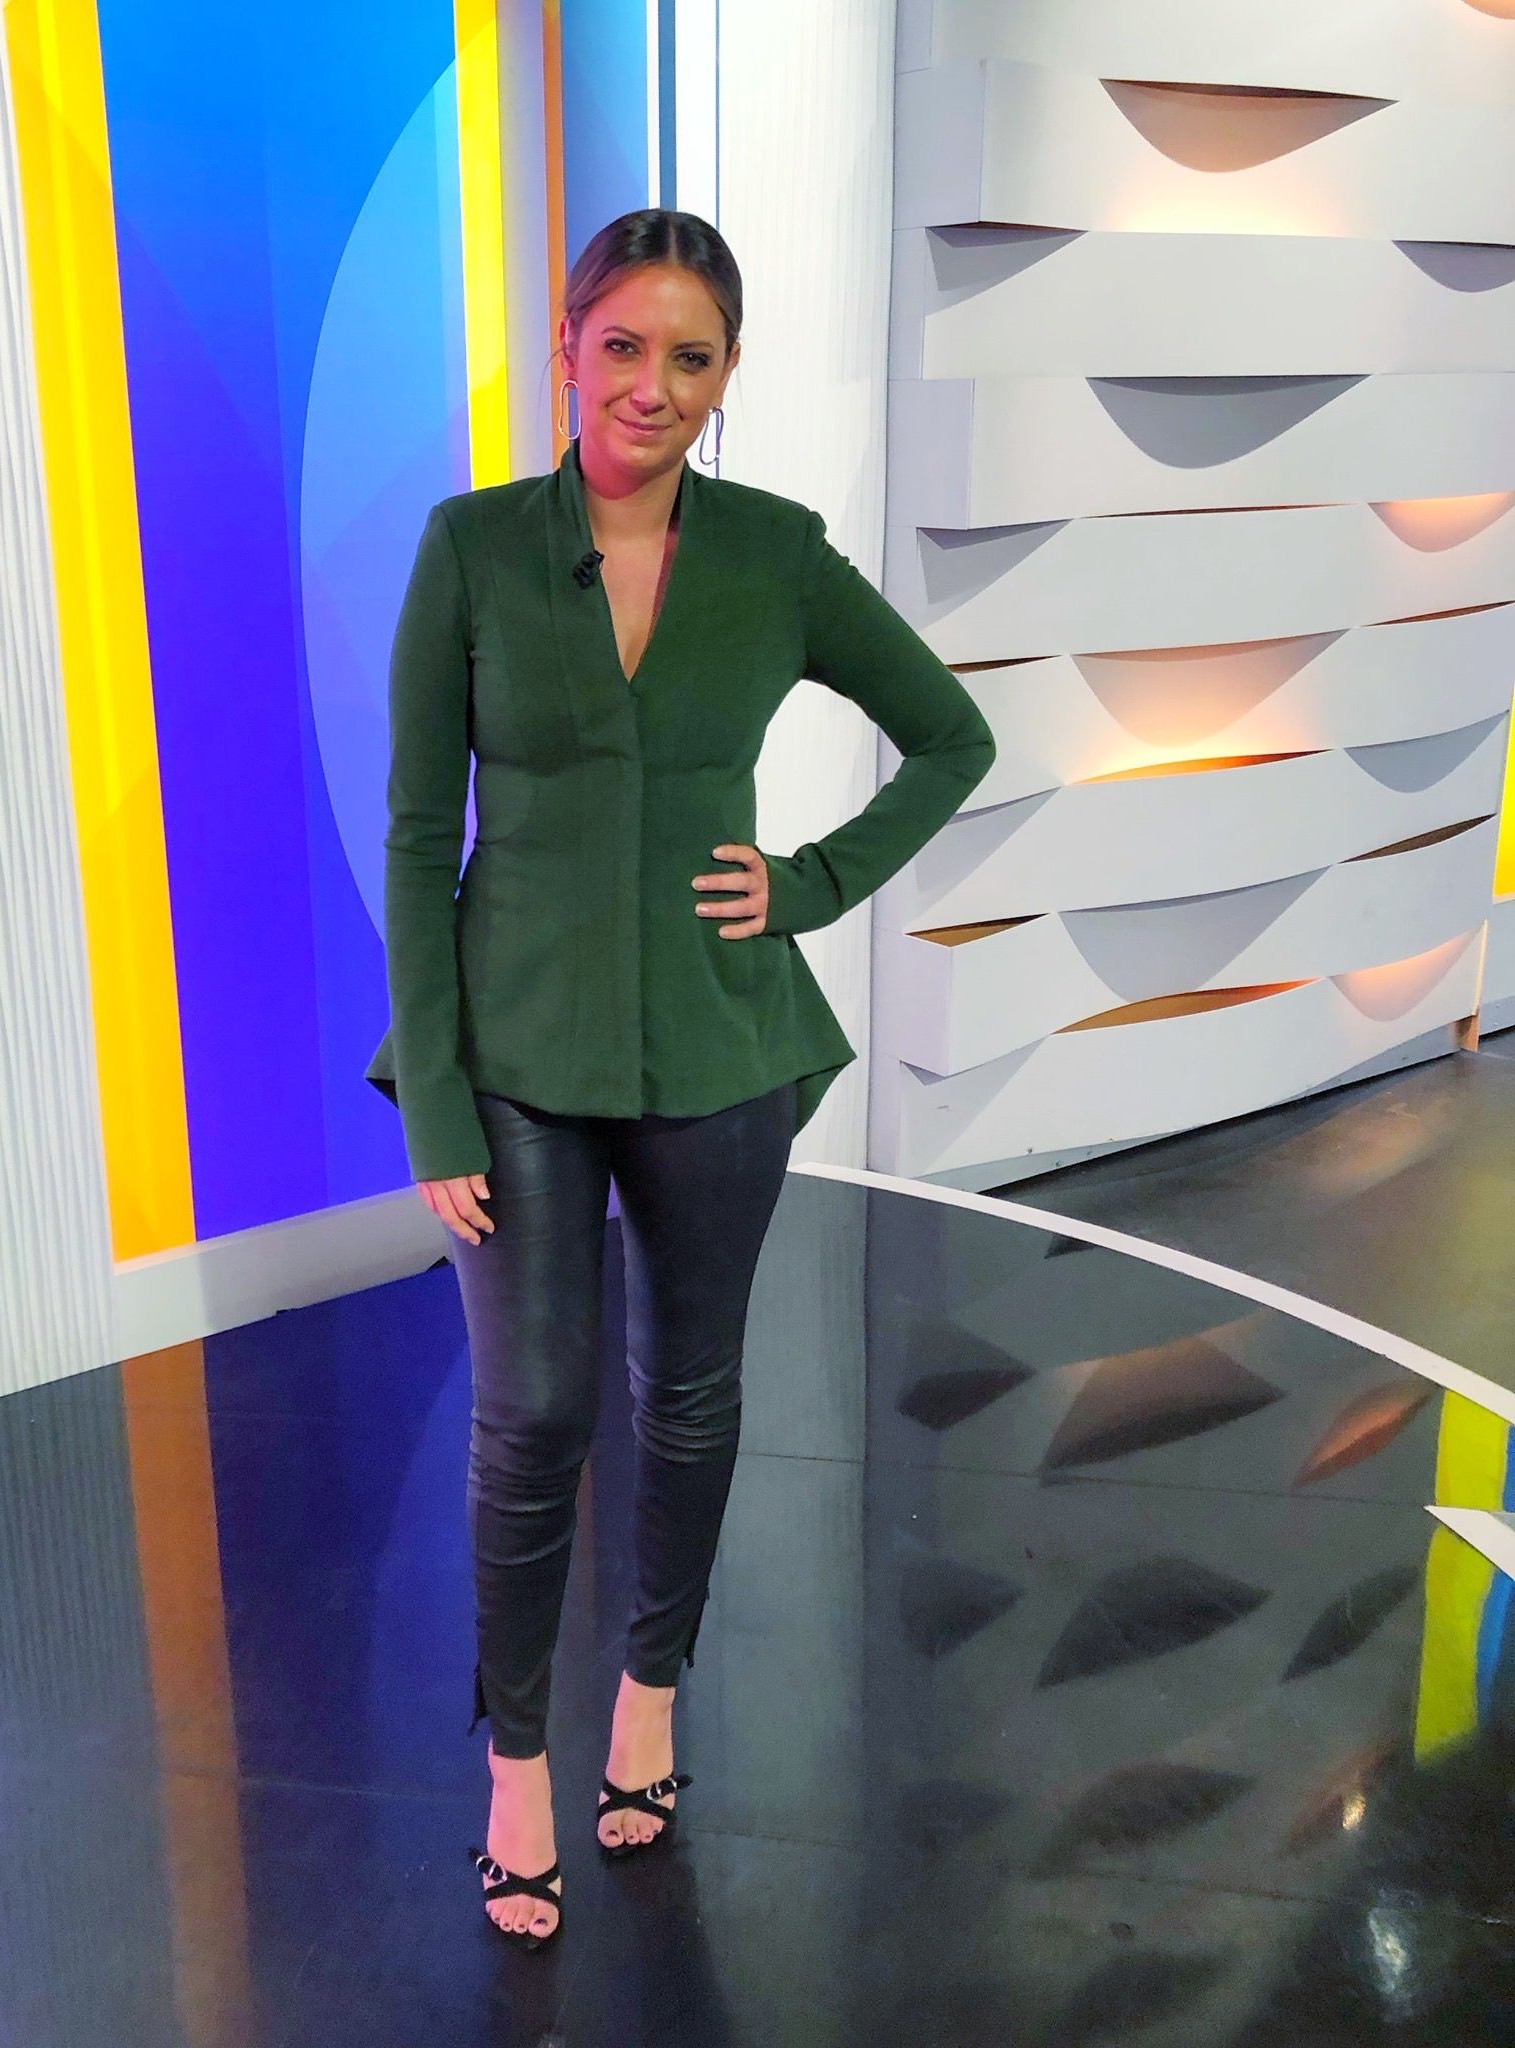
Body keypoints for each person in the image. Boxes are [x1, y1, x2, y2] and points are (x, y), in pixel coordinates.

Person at [363, 208, 996, 1948]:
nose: (654, 386)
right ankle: (515, 1767)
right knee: (531, 1413)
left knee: (692, 1394)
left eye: (692, 357)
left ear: (726, 376)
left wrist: (810, 886)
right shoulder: (473, 547)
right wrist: (434, 1100)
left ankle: (646, 1702)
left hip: (718, 1050)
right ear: (569, 347)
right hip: (513, 1055)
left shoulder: (776, 556)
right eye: (624, 346)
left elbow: (953, 735)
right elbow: (418, 839)